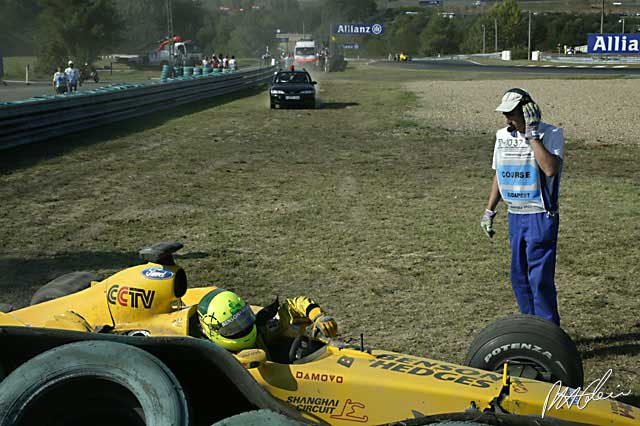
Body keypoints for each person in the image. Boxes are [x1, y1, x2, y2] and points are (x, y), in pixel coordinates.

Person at [481, 88, 564, 325]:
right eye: (505, 114)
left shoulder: (551, 133)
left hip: (540, 214)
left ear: (527, 111)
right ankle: (531, 328)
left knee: (539, 279)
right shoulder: (502, 136)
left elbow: (550, 169)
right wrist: (489, 210)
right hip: (515, 215)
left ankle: (548, 332)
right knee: (519, 278)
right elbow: (499, 173)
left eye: (512, 114)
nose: (507, 119)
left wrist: (533, 136)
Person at [197, 288, 338, 362]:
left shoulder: (261, 329)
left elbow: (292, 306)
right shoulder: (212, 360)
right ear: (212, 331)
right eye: (232, 328)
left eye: (244, 319)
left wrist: (317, 316)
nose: (243, 327)